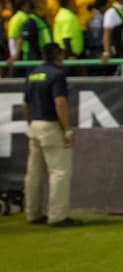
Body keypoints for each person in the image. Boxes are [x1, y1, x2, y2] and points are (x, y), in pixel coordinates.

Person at [22, 43, 81, 227]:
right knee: (59, 172)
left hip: (35, 124)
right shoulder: (57, 75)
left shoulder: (33, 74)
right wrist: (67, 130)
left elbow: (26, 104)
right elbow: (60, 103)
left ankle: (32, 213)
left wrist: (30, 123)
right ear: (58, 55)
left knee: (34, 173)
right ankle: (57, 216)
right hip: (51, 125)